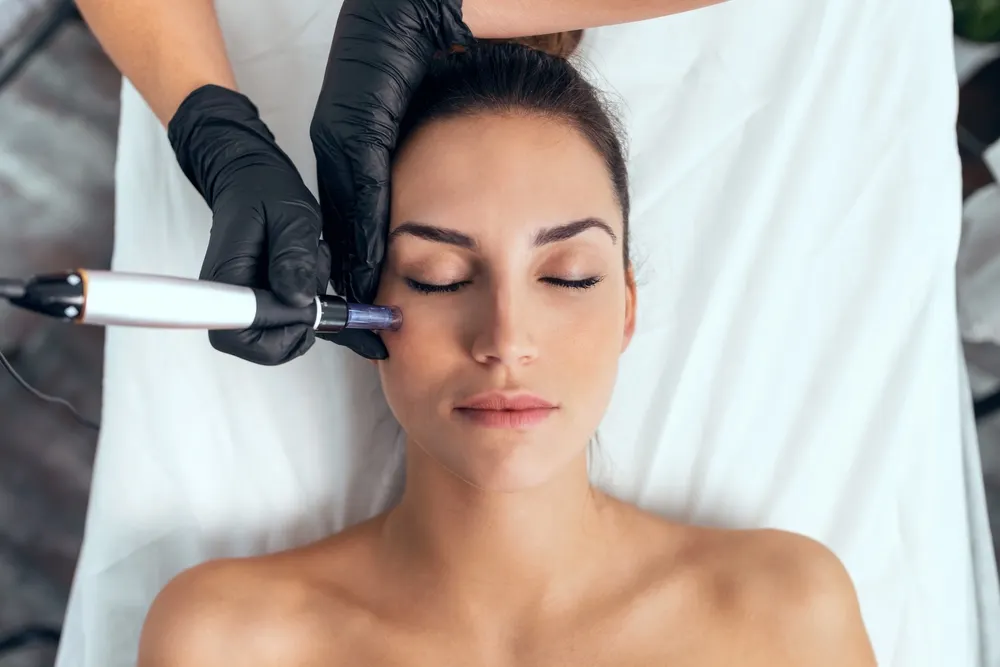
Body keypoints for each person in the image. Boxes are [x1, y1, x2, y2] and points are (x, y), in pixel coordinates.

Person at [57, 1, 1000, 666]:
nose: (505, 337)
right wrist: (212, 126)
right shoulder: (225, 640)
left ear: (627, 307)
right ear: (354, 297)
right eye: (438, 275)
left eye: (568, 275)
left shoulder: (784, 614)